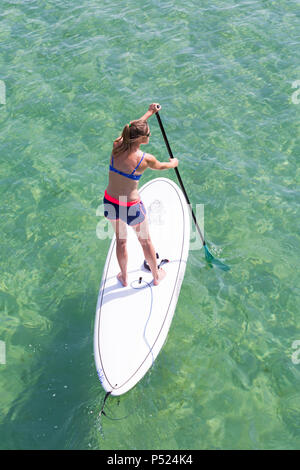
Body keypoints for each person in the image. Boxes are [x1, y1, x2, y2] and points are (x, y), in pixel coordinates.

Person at [103, 103, 179, 286]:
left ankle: (124, 277)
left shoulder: (117, 145)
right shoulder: (145, 159)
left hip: (110, 202)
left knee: (121, 241)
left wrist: (149, 113)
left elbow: (131, 126)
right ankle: (156, 276)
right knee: (145, 242)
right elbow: (162, 166)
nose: (150, 136)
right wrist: (174, 163)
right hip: (131, 207)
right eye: (148, 134)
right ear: (142, 138)